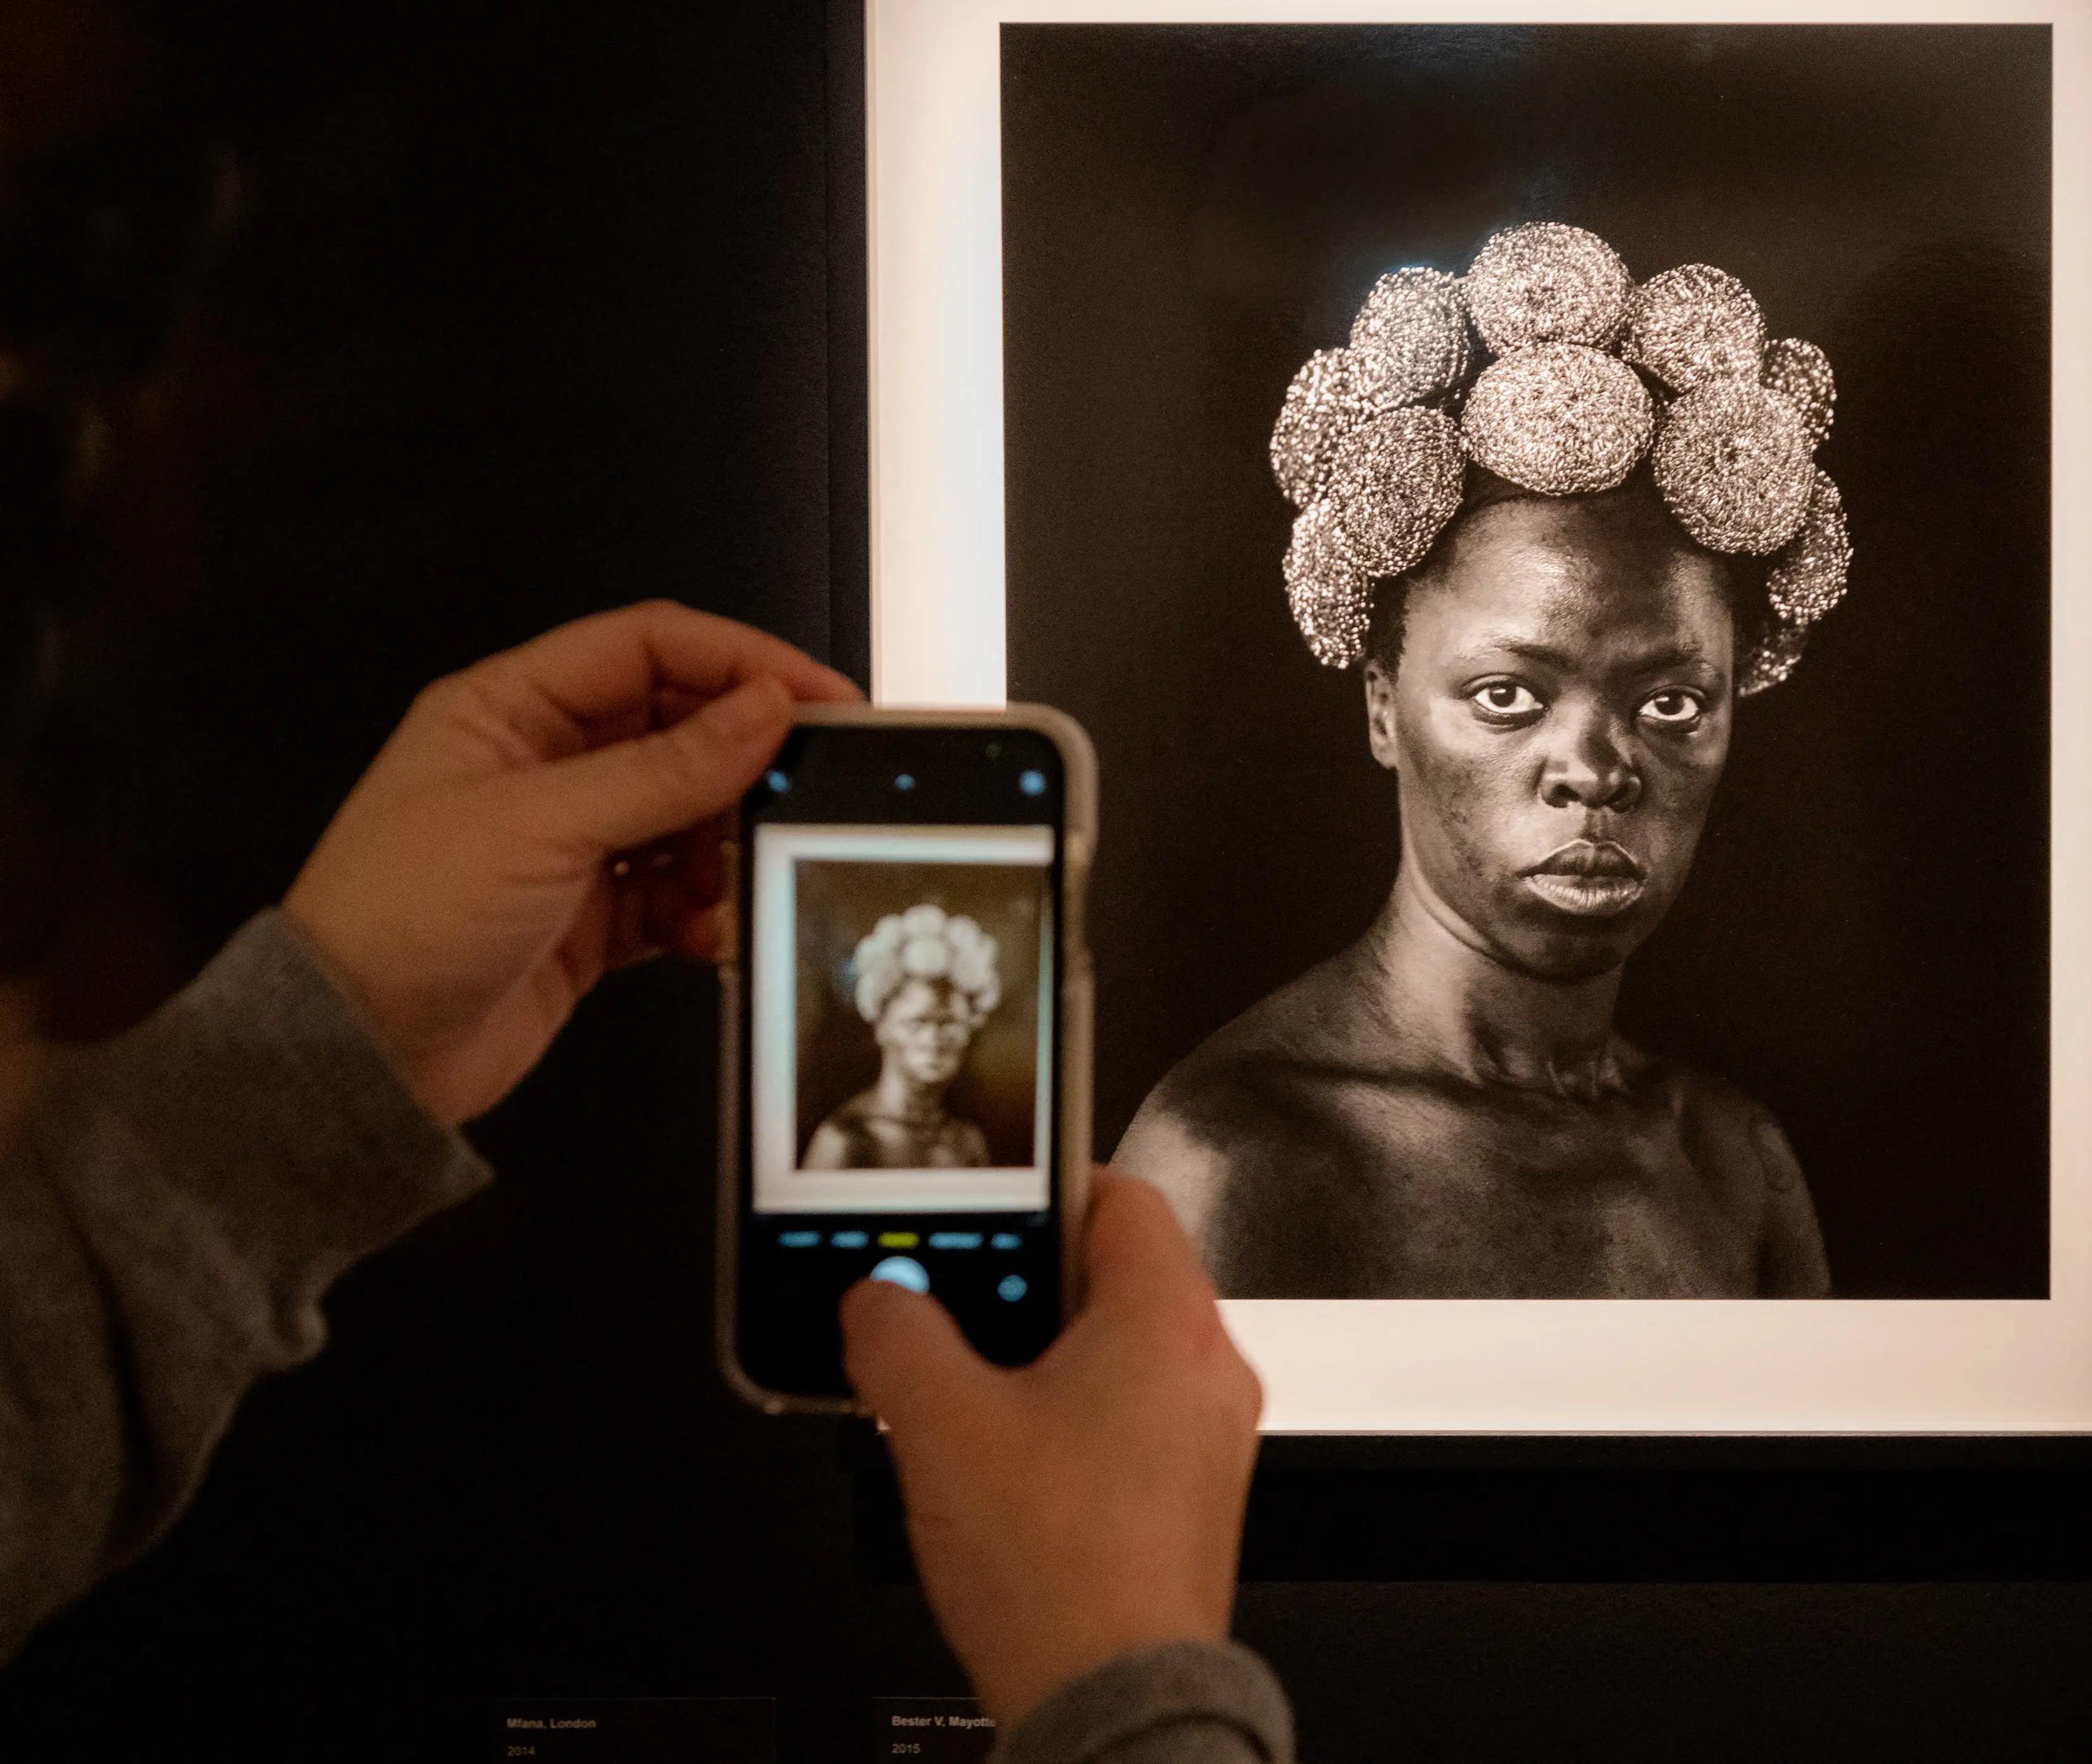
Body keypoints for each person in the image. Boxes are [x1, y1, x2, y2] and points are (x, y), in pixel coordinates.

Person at [0, 603, 1289, 1764]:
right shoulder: (852, 1137)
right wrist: (1129, 1678)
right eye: (920, 1002)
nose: (946, 1026)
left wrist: (313, 1056)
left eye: (965, 1004)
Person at [1115, 223, 1840, 1300]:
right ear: (1383, 707)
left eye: (1670, 702)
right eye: (1508, 696)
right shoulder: (1237, 1163)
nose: (1593, 770)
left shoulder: (1731, 1164)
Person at [805, 902, 1005, 1169]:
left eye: (949, 1024)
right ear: (881, 1028)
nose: (933, 1042)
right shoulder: (844, 1141)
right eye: (916, 1024)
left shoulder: (966, 1142)